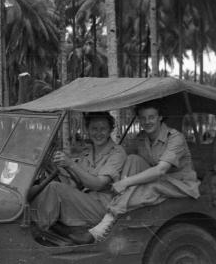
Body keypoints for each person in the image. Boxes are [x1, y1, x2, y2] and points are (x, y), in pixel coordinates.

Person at [84, 100, 201, 242]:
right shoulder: (141, 138)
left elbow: (160, 170)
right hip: (158, 181)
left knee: (149, 185)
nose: (147, 122)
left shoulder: (175, 137)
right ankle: (115, 207)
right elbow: (122, 156)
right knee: (133, 159)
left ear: (160, 117)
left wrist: (126, 182)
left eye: (151, 117)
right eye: (143, 118)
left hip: (180, 184)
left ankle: (109, 218)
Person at [30, 112, 127, 240]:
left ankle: (33, 232)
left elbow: (98, 184)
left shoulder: (117, 153)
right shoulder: (87, 153)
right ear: (88, 130)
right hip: (84, 202)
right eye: (94, 129)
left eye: (103, 129)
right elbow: (75, 184)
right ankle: (31, 222)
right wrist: (52, 166)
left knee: (55, 189)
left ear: (110, 130)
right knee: (41, 187)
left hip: (103, 209)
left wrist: (70, 164)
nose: (98, 133)